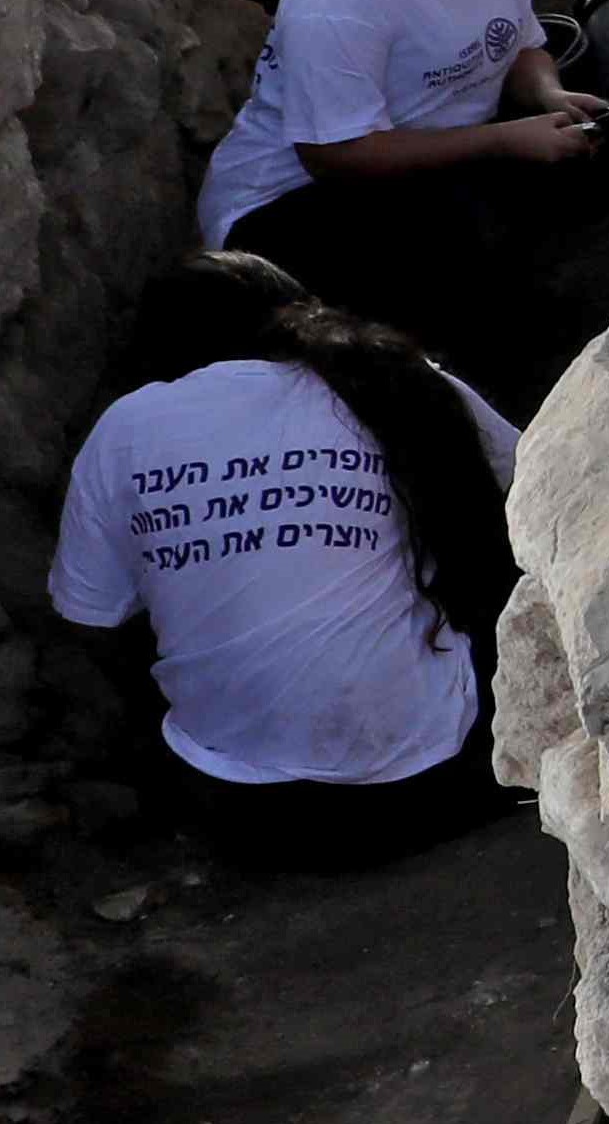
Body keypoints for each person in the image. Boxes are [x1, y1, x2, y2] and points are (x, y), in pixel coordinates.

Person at [44, 247, 520, 872]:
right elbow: (539, 485)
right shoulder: (398, 379)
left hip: (244, 814)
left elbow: (89, 620)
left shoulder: (124, 428)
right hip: (439, 781)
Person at [196, 0, 609, 403]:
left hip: (431, 159)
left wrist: (550, 96)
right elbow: (334, 153)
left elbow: (522, 43)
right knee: (466, 258)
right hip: (292, 201)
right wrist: (504, 140)